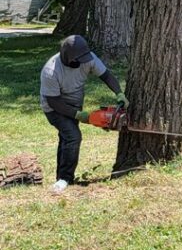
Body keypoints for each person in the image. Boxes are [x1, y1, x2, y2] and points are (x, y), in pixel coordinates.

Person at [40, 34, 128, 193]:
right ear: (68, 57)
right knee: (73, 136)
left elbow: (106, 75)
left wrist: (119, 93)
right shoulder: (51, 70)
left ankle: (60, 177)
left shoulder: (88, 59)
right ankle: (65, 178)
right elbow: (53, 101)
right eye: (79, 59)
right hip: (54, 108)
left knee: (67, 138)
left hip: (75, 104)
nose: (84, 62)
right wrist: (79, 115)